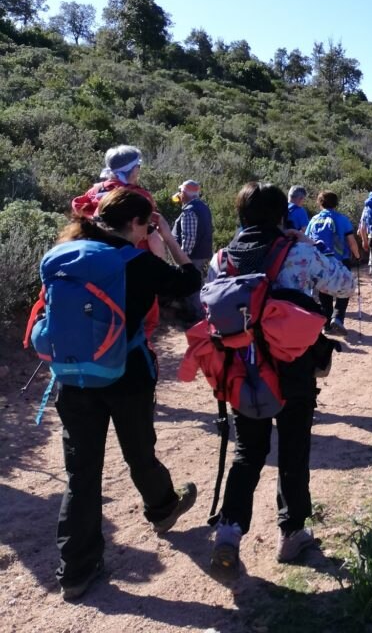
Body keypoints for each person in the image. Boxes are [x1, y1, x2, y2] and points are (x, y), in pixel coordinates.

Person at [48, 189, 202, 601]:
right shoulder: (137, 261)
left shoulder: (66, 251)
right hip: (127, 374)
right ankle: (163, 507)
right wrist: (167, 238)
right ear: (137, 224)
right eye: (146, 224)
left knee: (81, 476)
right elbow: (190, 281)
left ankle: (76, 571)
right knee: (138, 451)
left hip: (73, 377)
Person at [209, 183, 354, 581]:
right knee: (293, 448)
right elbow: (344, 283)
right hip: (293, 366)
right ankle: (291, 534)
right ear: (282, 215)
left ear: (240, 215)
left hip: (244, 367)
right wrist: (309, 241)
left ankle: (228, 531)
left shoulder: (223, 258)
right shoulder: (299, 252)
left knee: (248, 451)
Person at [71, 144, 169, 337]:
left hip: (97, 268)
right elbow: (151, 235)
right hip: (134, 268)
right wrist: (160, 269)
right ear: (131, 170)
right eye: (138, 166)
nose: (139, 170)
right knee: (141, 326)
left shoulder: (93, 193)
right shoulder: (139, 196)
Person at [305, 190, 360, 335]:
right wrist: (357, 254)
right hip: (341, 260)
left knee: (324, 292)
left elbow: (307, 240)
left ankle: (327, 325)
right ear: (336, 203)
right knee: (345, 289)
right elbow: (351, 240)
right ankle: (338, 317)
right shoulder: (342, 219)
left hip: (320, 262)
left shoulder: (314, 220)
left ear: (319, 203)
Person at [171, 180, 214, 324]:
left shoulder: (189, 211)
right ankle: (197, 315)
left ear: (184, 193)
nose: (179, 196)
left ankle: (199, 318)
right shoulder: (203, 207)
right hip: (202, 253)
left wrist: (182, 258)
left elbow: (189, 238)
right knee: (196, 284)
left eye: (181, 192)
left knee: (192, 287)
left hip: (192, 256)